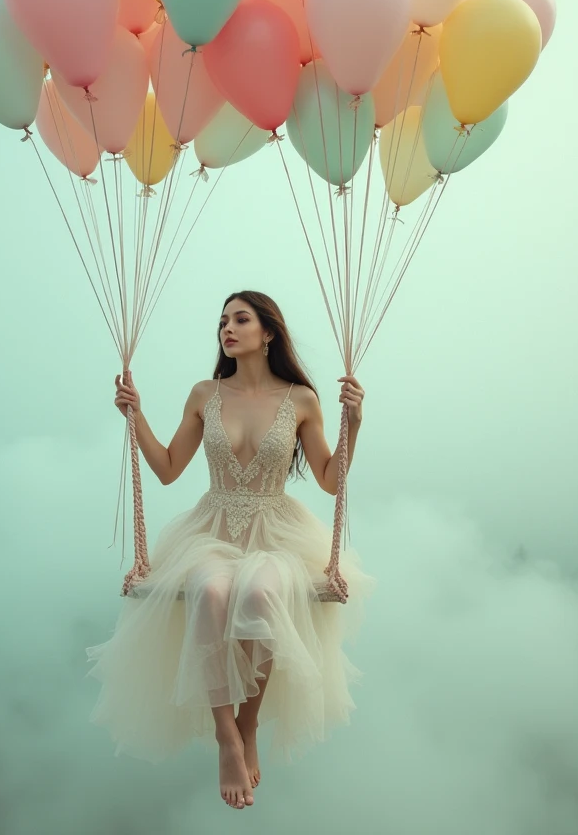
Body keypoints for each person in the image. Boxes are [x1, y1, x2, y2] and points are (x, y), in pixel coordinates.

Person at [86, 291, 374, 809]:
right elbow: (170, 467)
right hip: (211, 528)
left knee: (262, 594)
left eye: (241, 319)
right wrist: (136, 416)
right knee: (211, 590)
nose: (228, 328)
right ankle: (226, 736)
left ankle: (249, 725)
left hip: (276, 529)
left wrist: (354, 421)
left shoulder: (301, 400)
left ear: (269, 333)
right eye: (223, 321)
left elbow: (331, 481)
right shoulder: (205, 394)